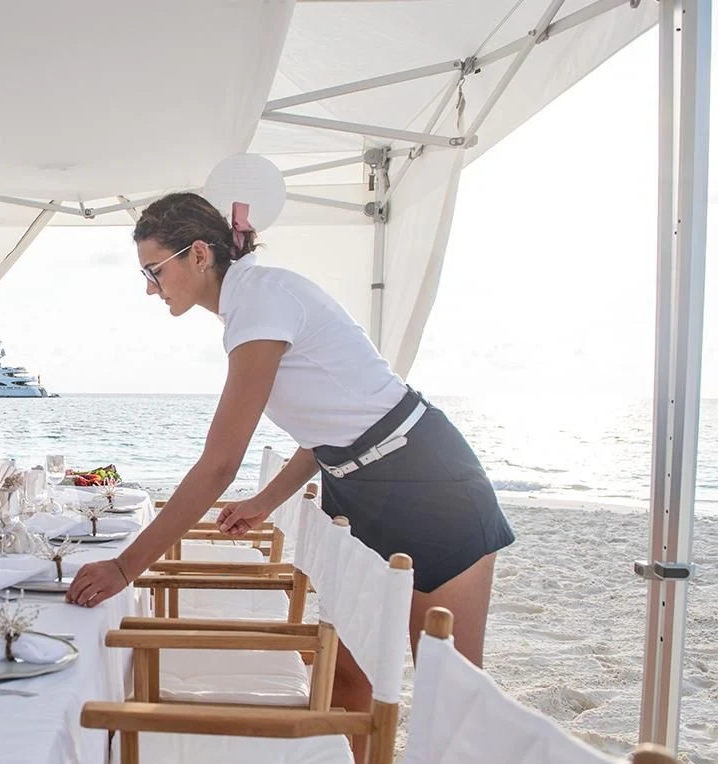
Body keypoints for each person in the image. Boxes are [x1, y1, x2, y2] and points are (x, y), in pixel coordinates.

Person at [66, 192, 514, 732]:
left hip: (428, 481)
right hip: (357, 485)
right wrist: (264, 501)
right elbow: (325, 432)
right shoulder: (247, 307)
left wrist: (124, 567)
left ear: (200, 255)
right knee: (349, 679)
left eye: (155, 271)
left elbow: (219, 463)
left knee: (455, 694)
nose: (149, 288)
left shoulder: (260, 300)